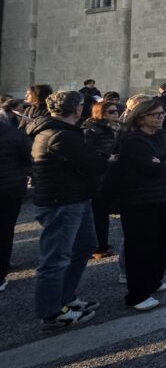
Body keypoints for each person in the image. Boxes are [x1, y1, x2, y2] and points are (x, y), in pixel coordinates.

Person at [28, 91, 110, 328]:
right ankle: (51, 312)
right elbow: (95, 164)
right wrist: (104, 155)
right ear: (77, 109)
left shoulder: (63, 132)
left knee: (84, 246)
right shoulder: (60, 135)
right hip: (61, 202)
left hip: (75, 197)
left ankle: (65, 298)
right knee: (56, 258)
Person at [117, 97, 166, 311]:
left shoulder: (163, 134)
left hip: (161, 195)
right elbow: (152, 168)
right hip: (138, 199)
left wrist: (163, 161)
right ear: (140, 118)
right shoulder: (133, 140)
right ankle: (137, 294)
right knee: (140, 246)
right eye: (155, 115)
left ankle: (153, 282)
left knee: (160, 241)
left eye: (162, 114)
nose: (160, 117)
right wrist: (165, 162)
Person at [83, 100, 122, 258]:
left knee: (105, 211)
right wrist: (107, 157)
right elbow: (89, 154)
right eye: (111, 112)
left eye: (117, 111)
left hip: (112, 175)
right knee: (99, 215)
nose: (116, 114)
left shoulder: (117, 127)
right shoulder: (91, 130)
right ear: (100, 113)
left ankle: (101, 244)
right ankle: (98, 247)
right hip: (99, 177)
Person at [0, 112, 31, 292]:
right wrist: (20, 175)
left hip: (10, 188)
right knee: (5, 231)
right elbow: (28, 159)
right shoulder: (13, 133)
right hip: (9, 190)